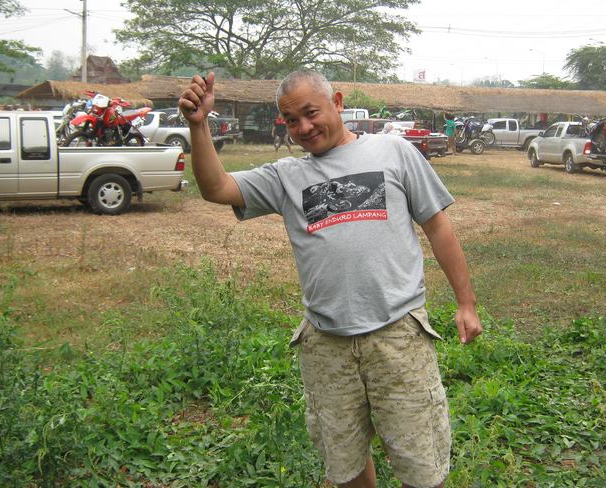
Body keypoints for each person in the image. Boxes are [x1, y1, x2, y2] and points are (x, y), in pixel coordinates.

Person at [179, 70, 482, 488]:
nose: (304, 127)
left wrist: (466, 302)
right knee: (346, 464)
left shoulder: (393, 151)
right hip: (327, 345)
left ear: (337, 102)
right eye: (291, 120)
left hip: (398, 337)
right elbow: (216, 187)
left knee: (422, 465)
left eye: (311, 113)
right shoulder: (286, 177)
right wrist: (198, 126)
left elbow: (438, 227)